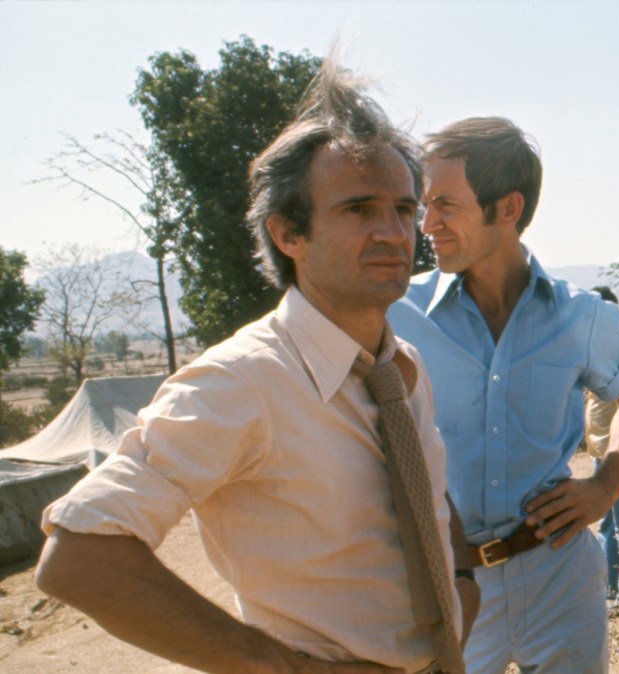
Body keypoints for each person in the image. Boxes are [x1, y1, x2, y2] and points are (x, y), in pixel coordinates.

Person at [34, 62, 477, 674]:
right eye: (358, 210)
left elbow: (422, 495)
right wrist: (275, 666)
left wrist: (459, 586)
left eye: (404, 209)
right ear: (288, 234)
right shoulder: (240, 382)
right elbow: (80, 555)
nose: (393, 233)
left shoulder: (400, 366)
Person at [387, 117, 619, 674]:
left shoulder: (584, 317)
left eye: (444, 205)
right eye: (423, 205)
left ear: (507, 208)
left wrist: (606, 485)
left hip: (559, 574)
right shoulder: (392, 314)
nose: (425, 224)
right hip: (442, 583)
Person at [584, 285, 619, 619]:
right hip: (596, 451)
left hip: (616, 454)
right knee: (607, 523)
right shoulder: (590, 349)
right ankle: (610, 588)